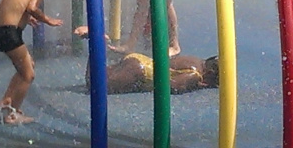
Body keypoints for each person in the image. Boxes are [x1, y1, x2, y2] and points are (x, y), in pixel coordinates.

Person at [0, 0, 63, 124]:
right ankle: (13, 114)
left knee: (27, 64)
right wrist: (47, 20)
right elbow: (32, 7)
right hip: (11, 34)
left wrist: (24, 16)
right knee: (28, 75)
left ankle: (7, 99)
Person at [76, 25, 219, 94]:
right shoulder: (195, 74)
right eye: (217, 80)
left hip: (140, 61)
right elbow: (172, 86)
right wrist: (193, 85)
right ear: (211, 72)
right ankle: (97, 41)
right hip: (142, 72)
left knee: (101, 75)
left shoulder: (196, 60)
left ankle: (96, 41)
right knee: (96, 86)